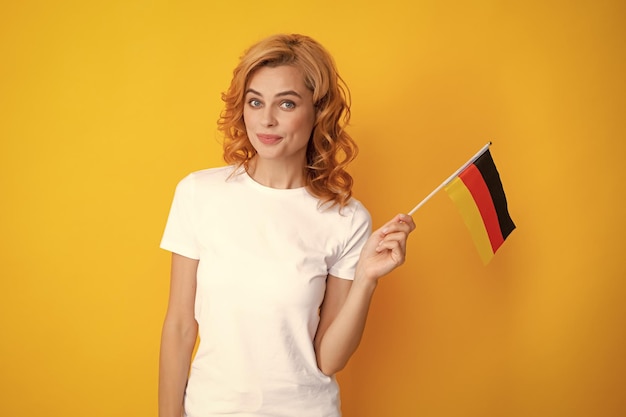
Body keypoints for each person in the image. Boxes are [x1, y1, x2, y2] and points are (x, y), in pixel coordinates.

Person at [159, 33, 415, 417]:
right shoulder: (199, 194)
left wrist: (365, 279)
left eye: (287, 103)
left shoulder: (347, 220)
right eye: (255, 101)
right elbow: (180, 325)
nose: (267, 119)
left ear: (318, 111)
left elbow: (327, 360)